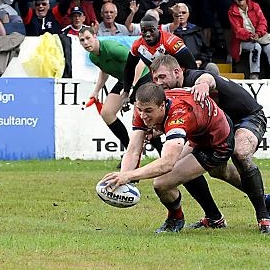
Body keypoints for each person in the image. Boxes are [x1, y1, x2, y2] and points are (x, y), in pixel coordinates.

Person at [150, 54, 270, 232]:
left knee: (240, 153)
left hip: (246, 117)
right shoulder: (168, 95)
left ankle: (264, 217)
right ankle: (215, 217)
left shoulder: (192, 78)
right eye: (155, 78)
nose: (158, 82)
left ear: (177, 72)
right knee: (193, 167)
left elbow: (207, 76)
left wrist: (203, 85)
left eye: (162, 77)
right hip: (215, 130)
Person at [100, 83, 235, 233]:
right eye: (140, 110)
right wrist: (123, 178)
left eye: (149, 111)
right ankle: (216, 217)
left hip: (216, 141)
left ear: (162, 106)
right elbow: (133, 150)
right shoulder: (144, 107)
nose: (143, 115)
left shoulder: (179, 114)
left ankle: (177, 219)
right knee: (182, 174)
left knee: (163, 181)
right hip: (195, 136)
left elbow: (166, 163)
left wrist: (129, 175)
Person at [78, 26, 161, 154]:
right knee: (107, 113)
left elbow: (139, 62)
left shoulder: (112, 48)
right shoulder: (93, 57)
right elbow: (104, 70)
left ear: (95, 36)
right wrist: (96, 91)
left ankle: (163, 154)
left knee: (146, 120)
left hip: (142, 77)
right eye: (82, 40)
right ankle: (130, 152)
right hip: (124, 80)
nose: (85, 43)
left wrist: (130, 88)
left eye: (88, 38)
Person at [228, 0, 270, 80]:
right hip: (242, 40)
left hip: (259, 35)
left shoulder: (255, 5)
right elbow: (238, 30)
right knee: (256, 47)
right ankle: (254, 74)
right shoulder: (231, 11)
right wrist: (250, 36)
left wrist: (258, 34)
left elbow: (263, 22)